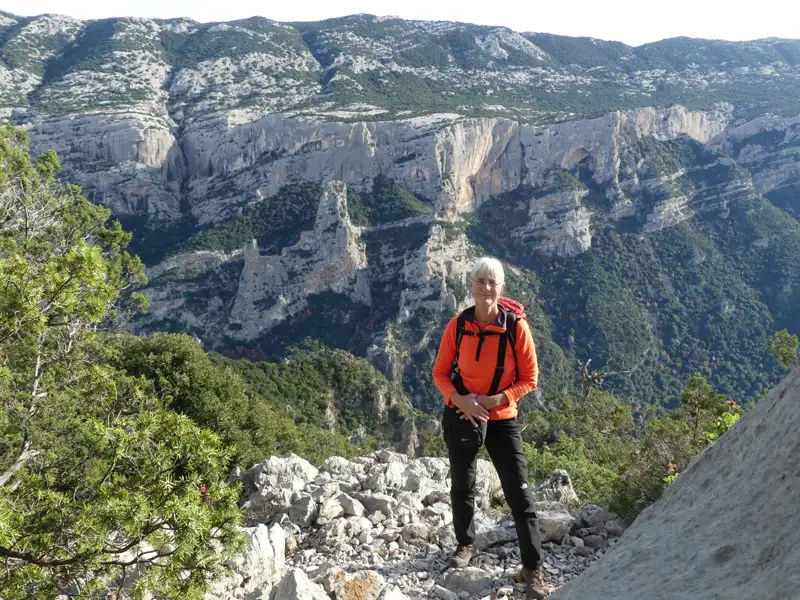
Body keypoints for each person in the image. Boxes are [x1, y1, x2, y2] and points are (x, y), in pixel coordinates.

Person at [432, 256, 547, 600]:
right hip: (464, 412)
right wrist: (462, 400)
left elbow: (530, 378)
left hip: (501, 417)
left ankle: (533, 568)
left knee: (519, 492)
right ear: (471, 285)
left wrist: (499, 399)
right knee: (462, 484)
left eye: (492, 282)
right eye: (480, 281)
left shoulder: (515, 327)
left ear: (501, 288)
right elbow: (440, 373)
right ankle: (465, 544)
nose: (486, 287)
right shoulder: (458, 325)